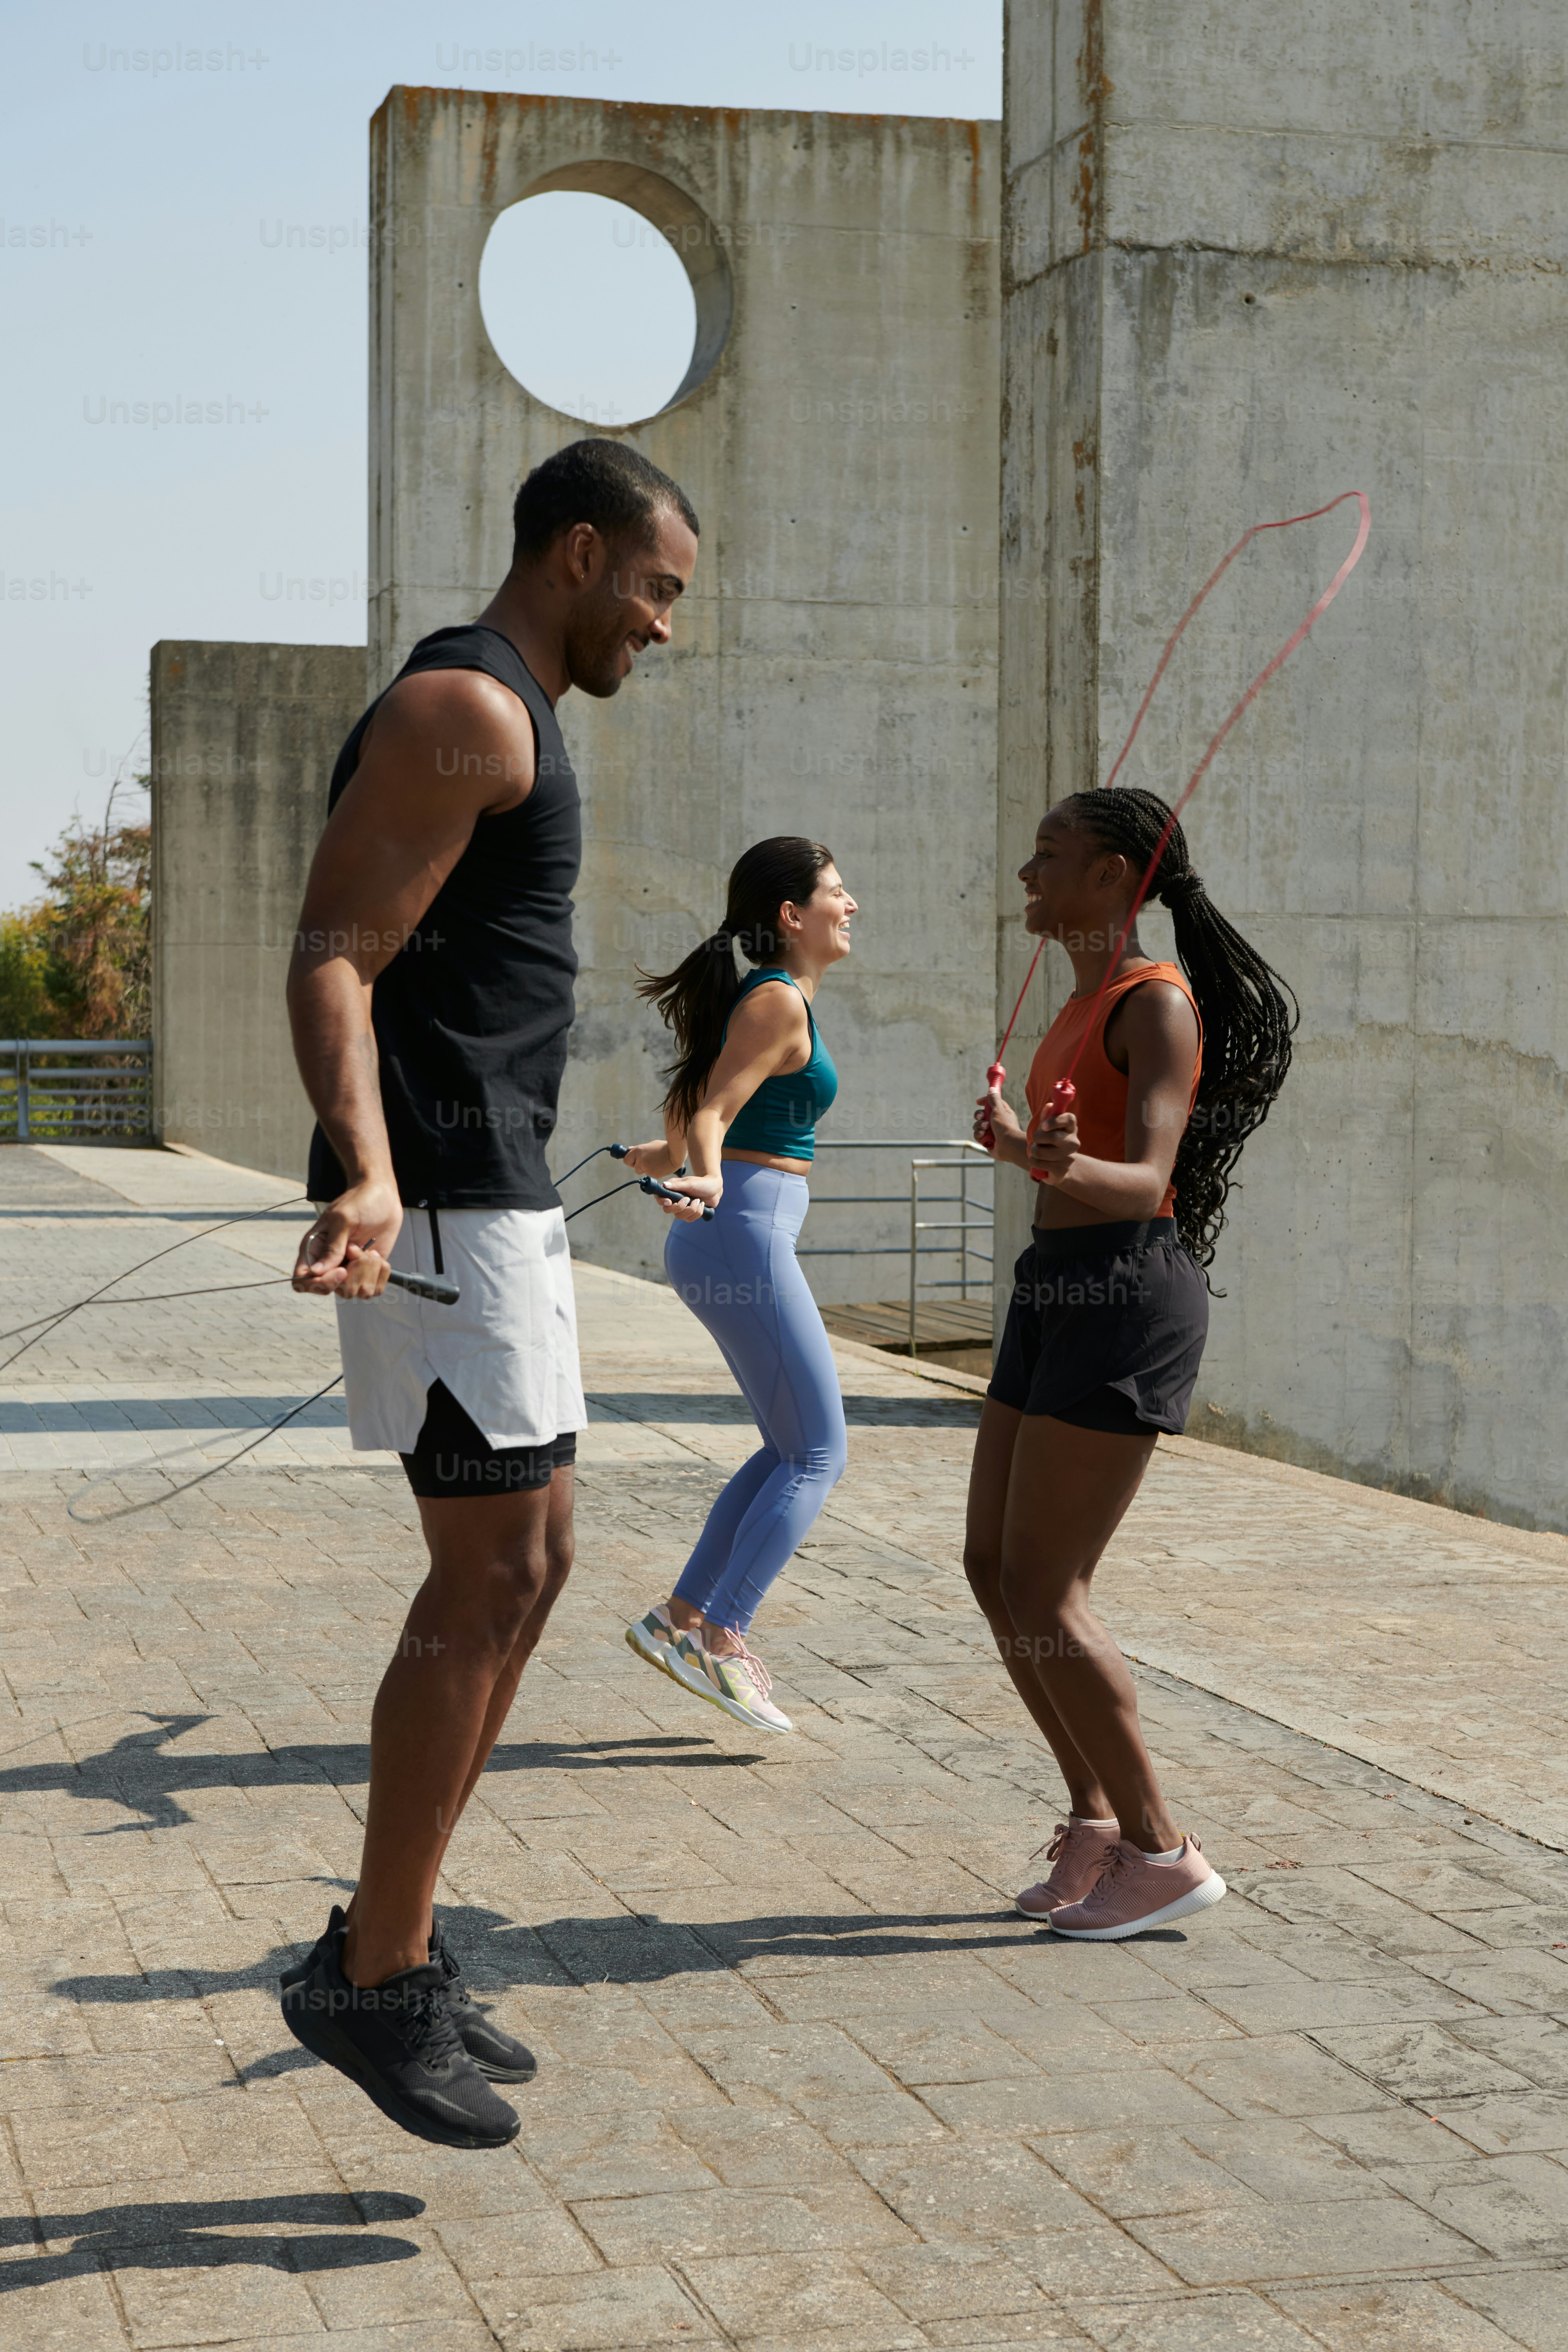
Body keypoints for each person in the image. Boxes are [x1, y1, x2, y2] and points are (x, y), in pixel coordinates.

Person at [279, 438, 700, 2148]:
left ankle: (398, 1943)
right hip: (438, 1199)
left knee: (532, 1562)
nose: (665, 628)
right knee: (485, 1574)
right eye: (659, 591)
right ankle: (373, 1987)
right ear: (581, 554)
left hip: (491, 1195)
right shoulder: (476, 709)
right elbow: (330, 949)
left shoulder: (516, 709)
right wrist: (370, 1170)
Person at [967, 787, 1296, 1940]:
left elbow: (1149, 1181)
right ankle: (1096, 1820)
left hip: (1123, 1293)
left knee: (1051, 1589)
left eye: (1049, 857)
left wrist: (1026, 1155)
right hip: (1053, 1289)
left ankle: (1165, 1852)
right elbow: (1075, 1166)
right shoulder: (1078, 998)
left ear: (1113, 876)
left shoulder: (1155, 1003)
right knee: (988, 1565)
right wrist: (1030, 1152)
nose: (1027, 875)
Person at [619, 838, 857, 1735]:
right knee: (817, 1454)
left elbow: (699, 1103)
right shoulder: (777, 999)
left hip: (737, 1232)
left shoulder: (765, 999)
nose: (851, 905)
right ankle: (722, 1642)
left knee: (780, 1448)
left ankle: (678, 1618)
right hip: (743, 1233)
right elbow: (717, 1111)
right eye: (836, 893)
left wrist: (667, 1155)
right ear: (791, 917)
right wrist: (705, 1172)